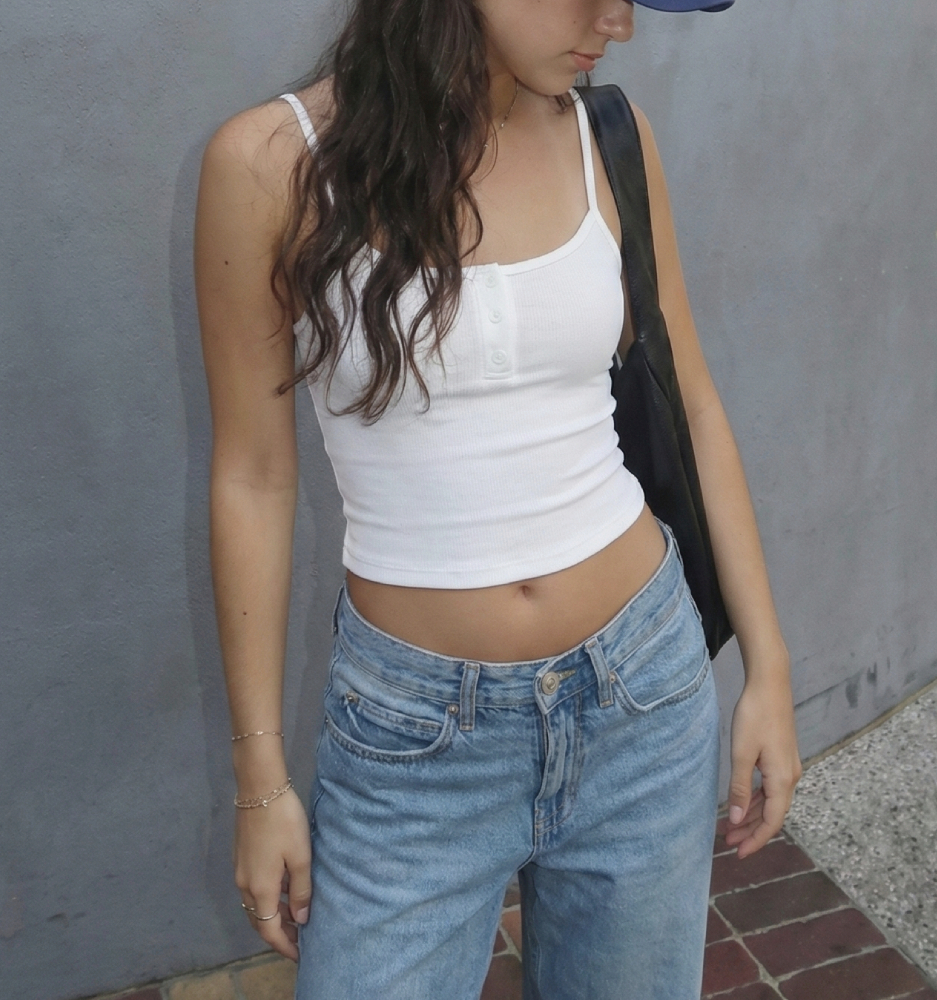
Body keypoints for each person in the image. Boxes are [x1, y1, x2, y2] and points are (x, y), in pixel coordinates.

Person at [194, 0, 801, 996]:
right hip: (412, 739)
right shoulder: (270, 164)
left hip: (643, 696)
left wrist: (767, 669)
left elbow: (692, 400)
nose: (619, 20)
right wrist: (260, 780)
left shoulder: (609, 138)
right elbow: (252, 480)